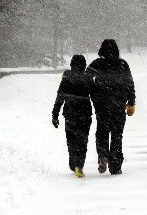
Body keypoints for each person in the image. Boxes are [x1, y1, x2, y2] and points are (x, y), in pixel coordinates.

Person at [86, 39, 135, 175]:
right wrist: (131, 102)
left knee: (102, 133)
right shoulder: (122, 64)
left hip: (102, 106)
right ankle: (115, 165)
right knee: (117, 135)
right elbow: (130, 84)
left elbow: (86, 79)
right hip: (118, 105)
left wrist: (94, 94)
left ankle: (102, 156)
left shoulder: (97, 64)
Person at [52, 55, 92, 178]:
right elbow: (96, 96)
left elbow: (60, 96)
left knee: (71, 140)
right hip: (85, 113)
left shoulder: (67, 77)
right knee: (83, 140)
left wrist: (55, 114)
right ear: (84, 65)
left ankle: (73, 163)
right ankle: (79, 165)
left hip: (70, 113)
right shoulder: (88, 77)